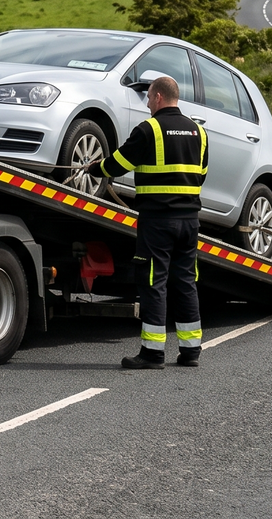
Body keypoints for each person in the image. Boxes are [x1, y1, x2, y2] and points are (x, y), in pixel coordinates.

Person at [97, 74, 207, 370]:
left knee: (153, 282)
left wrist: (97, 167)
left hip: (158, 221)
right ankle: (191, 351)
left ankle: (152, 353)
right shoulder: (199, 133)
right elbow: (202, 173)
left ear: (158, 96)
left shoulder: (150, 129)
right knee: (185, 281)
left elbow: (119, 162)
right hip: (189, 222)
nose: (146, 103)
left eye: (148, 98)